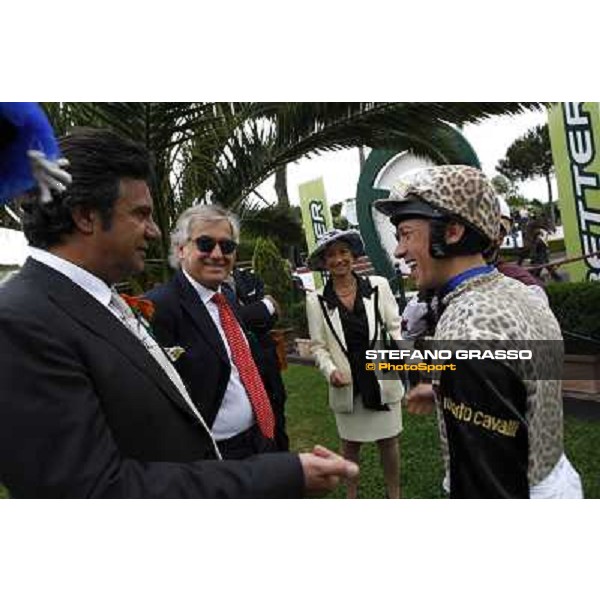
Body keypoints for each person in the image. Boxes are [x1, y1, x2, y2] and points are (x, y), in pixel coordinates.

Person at [0, 127, 358, 498]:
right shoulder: (19, 323)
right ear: (86, 216)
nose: (154, 231)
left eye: (228, 245)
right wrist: (275, 476)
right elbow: (89, 492)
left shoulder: (95, 300)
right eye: (140, 214)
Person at [374, 164, 582, 499]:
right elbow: (521, 379)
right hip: (553, 474)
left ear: (453, 231)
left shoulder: (469, 327)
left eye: (406, 234)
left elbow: (488, 489)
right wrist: (452, 387)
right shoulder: (517, 292)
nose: (399, 250)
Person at [146, 205, 283, 459]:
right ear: (181, 249)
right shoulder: (158, 308)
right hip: (214, 454)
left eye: (227, 246)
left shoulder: (227, 296)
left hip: (261, 438)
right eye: (206, 243)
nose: (218, 254)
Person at [305, 229, 404, 498]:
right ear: (324, 263)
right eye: (331, 255)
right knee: (350, 446)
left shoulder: (378, 285)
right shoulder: (316, 300)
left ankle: (394, 495)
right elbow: (318, 346)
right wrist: (330, 370)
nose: (338, 259)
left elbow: (394, 328)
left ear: (353, 255)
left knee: (389, 442)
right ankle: (352, 496)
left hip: (381, 376)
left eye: (343, 252)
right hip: (348, 384)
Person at [226, 266, 290, 451]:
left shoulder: (378, 287)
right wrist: (265, 306)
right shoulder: (323, 300)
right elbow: (229, 321)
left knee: (279, 425)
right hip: (344, 381)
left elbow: (272, 318)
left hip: (373, 365)